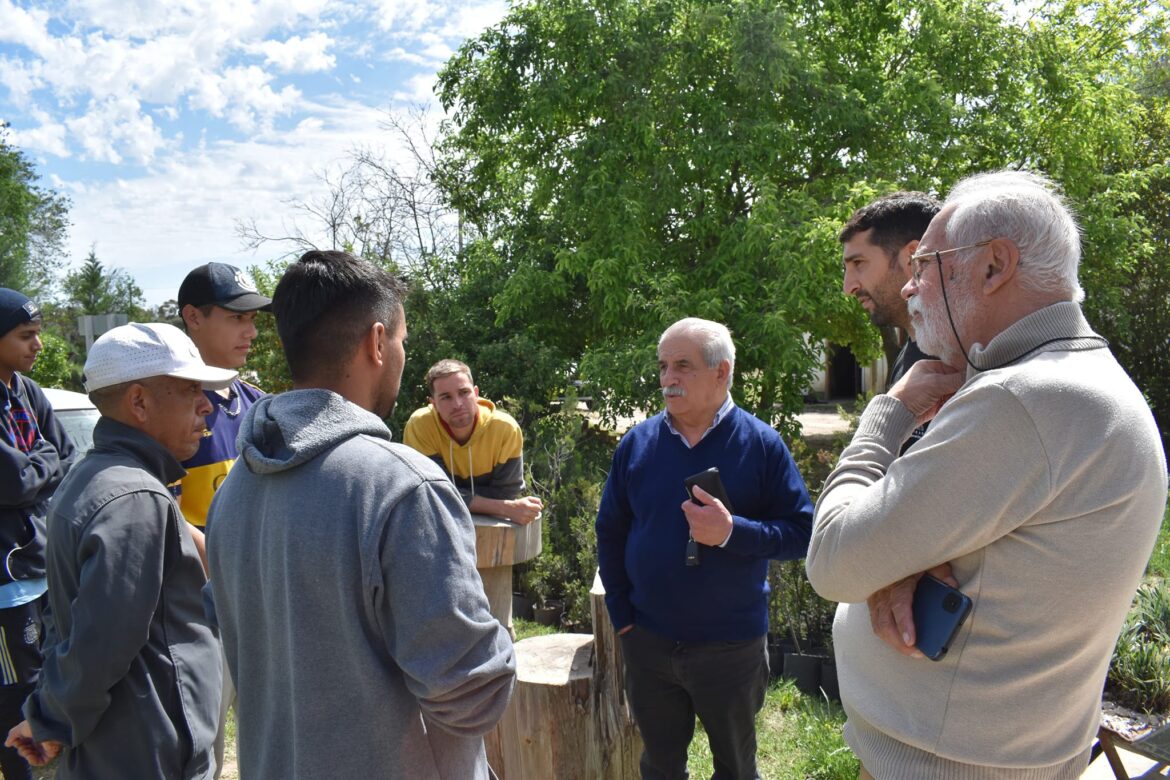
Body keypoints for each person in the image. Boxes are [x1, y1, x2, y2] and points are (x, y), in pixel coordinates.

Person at [806, 170, 1168, 778]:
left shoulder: (1022, 402)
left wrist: (887, 412)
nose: (913, 288)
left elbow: (833, 559)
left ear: (995, 266)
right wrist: (897, 556)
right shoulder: (1071, 383)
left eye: (927, 265)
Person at [205, 250, 516, 780]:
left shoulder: (235, 488)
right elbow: (468, 691)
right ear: (376, 342)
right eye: (401, 342)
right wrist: (501, 643)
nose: (401, 355)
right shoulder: (401, 486)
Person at [6, 322, 232, 778]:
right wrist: (50, 718)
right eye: (191, 389)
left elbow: (65, 621)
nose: (207, 404)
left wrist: (47, 712)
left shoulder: (101, 478)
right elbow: (100, 643)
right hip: (149, 753)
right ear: (139, 402)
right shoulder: (133, 496)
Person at [596, 317, 814, 780]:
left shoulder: (761, 444)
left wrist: (732, 532)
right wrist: (624, 618)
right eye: (662, 367)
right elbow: (610, 531)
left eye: (683, 366)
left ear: (722, 372)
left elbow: (801, 533)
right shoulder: (637, 444)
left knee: (735, 768)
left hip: (730, 649)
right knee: (660, 766)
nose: (667, 378)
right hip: (649, 643)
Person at [176, 260, 269, 777]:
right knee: (204, 745)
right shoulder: (173, 407)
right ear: (194, 317)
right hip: (197, 609)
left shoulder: (257, 405)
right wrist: (230, 567)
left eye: (253, 319)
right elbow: (163, 509)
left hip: (253, 599)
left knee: (265, 730)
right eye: (236, 318)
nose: (251, 331)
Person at [0, 289, 78, 780]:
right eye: (26, 335)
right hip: (7, 582)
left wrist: (37, 466)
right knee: (14, 689)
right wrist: (40, 464)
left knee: (42, 676)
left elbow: (68, 459)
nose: (39, 345)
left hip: (41, 566)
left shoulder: (26, 393)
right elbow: (14, 481)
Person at [840, 191, 941, 452]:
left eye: (859, 263)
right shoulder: (907, 357)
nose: (848, 287)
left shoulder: (965, 362)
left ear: (913, 257)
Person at [404, 359, 543, 524]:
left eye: (464, 392)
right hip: (436, 522)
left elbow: (506, 493)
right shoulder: (420, 425)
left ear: (476, 393)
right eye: (446, 397)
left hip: (491, 529)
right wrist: (506, 508)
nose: (457, 404)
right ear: (433, 403)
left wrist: (454, 494)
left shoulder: (505, 429)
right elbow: (431, 493)